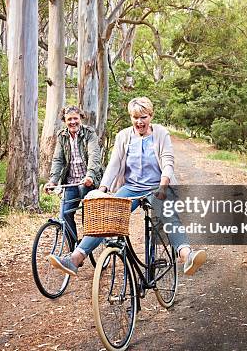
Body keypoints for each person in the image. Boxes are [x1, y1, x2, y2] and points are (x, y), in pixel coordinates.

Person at [48, 97, 207, 276]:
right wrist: (102, 189)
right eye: (135, 117)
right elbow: (114, 164)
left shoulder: (161, 134)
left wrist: (163, 187)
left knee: (168, 215)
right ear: (130, 117)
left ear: (151, 116)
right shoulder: (124, 136)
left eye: (144, 117)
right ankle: (75, 259)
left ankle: (187, 256)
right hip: (131, 187)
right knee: (106, 216)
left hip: (157, 186)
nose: (139, 122)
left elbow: (168, 162)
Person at [44, 105, 103, 238]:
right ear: (64, 120)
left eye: (75, 118)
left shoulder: (89, 133)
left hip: (87, 180)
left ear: (80, 118)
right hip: (71, 181)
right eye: (69, 119)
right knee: (65, 214)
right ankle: (73, 250)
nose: (73, 122)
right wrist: (53, 181)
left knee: (87, 215)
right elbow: (58, 159)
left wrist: (90, 176)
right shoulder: (62, 135)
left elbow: (94, 156)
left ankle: (88, 244)